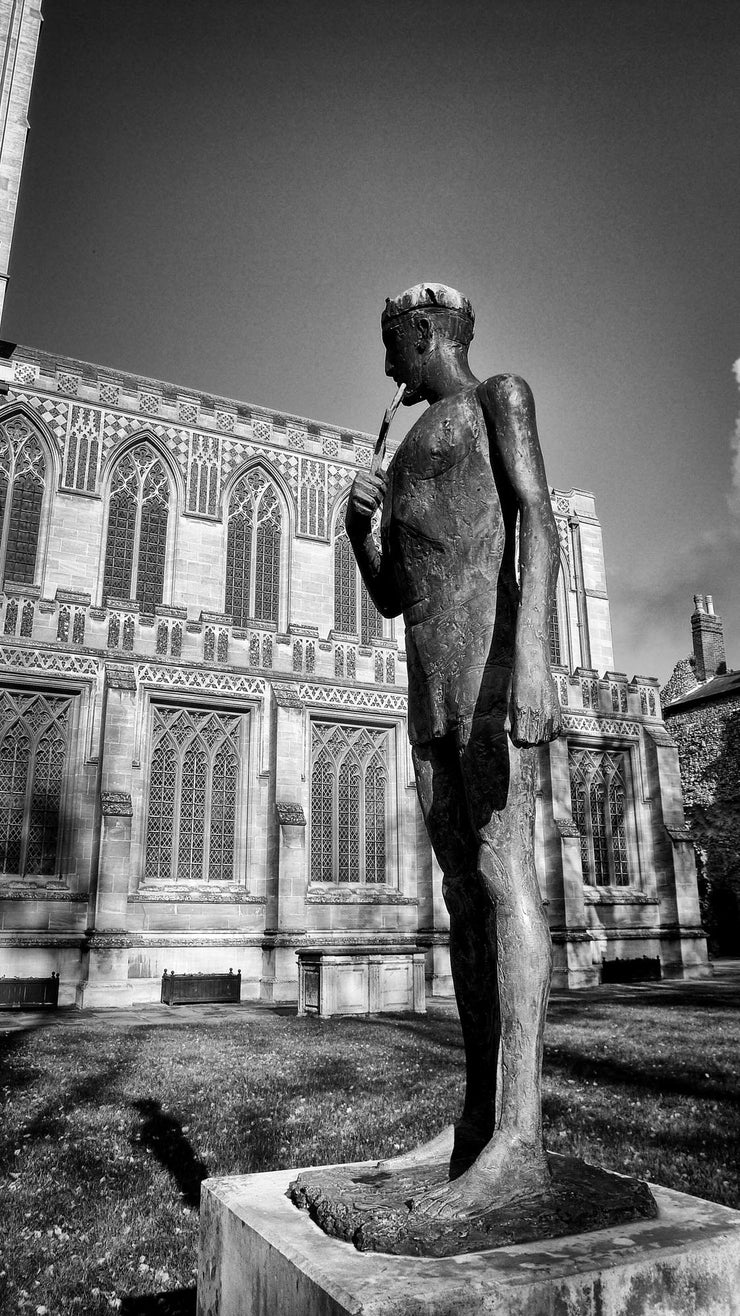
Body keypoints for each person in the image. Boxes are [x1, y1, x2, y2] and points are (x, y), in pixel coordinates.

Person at [346, 283, 562, 1220]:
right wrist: (363, 532)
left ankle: (521, 1137)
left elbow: (539, 523)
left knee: (506, 875)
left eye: (394, 346)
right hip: (428, 685)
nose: (388, 367)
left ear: (430, 332)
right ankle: (478, 1122)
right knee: (461, 889)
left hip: (489, 669)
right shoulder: (401, 457)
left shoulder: (495, 399)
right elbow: (394, 593)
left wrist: (539, 659)